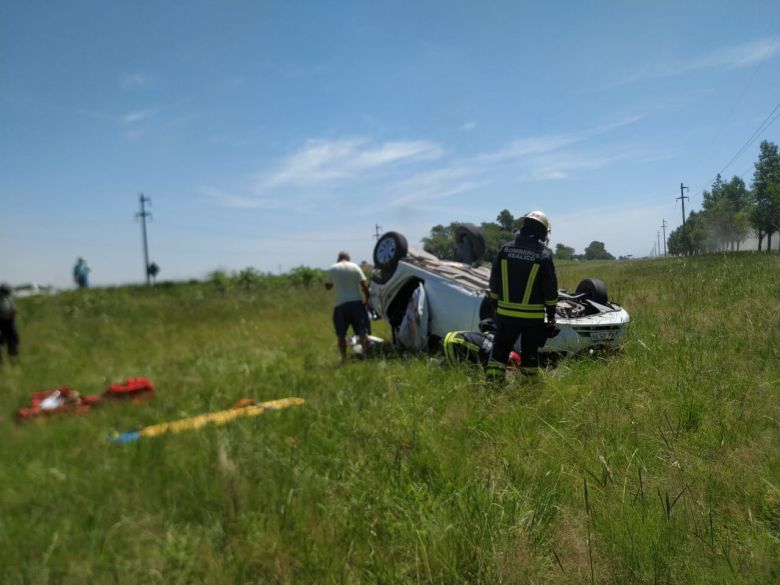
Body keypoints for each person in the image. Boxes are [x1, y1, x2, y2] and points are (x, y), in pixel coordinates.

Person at [485, 210, 558, 382]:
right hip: (532, 319)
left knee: (500, 352)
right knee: (530, 355)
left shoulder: (505, 249)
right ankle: (528, 388)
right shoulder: (544, 255)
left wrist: (495, 305)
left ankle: (493, 384)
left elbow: (494, 282)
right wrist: (552, 316)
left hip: (506, 316)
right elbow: (550, 291)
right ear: (542, 231)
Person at [325, 251, 370, 362]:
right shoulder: (355, 266)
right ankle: (364, 356)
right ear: (348, 258)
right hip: (356, 302)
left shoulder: (332, 268)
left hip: (340, 305)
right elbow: (364, 284)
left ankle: (344, 358)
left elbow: (327, 286)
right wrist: (367, 299)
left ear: (338, 258)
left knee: (341, 334)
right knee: (362, 332)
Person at [442, 318, 521, 370]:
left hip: (456, 335)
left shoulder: (497, 339)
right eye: (510, 368)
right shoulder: (494, 357)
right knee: (462, 376)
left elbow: (484, 323)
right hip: (456, 342)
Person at [0, 283, 19, 364]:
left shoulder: (9, 298)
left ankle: (12, 362)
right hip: (3, 324)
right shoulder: (4, 298)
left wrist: (11, 311)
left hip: (9, 324)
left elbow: (13, 310)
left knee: (13, 342)